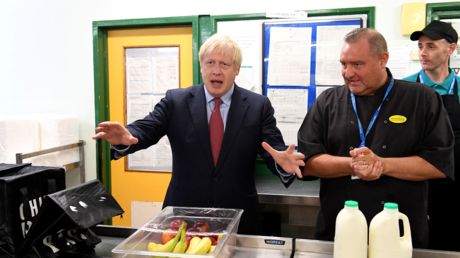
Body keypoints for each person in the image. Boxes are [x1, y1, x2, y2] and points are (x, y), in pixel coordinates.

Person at [92, 34, 304, 235]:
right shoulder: (176, 101)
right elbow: (148, 127)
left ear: (237, 69)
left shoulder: (258, 106)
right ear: (201, 66)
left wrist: (282, 162)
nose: (216, 71)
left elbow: (273, 149)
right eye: (210, 62)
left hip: (239, 216)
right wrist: (126, 137)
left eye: (224, 64)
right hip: (183, 216)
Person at [293, 28, 454, 248]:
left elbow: (439, 164)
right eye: (344, 64)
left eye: (357, 64)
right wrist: (354, 165)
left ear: (382, 60)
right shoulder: (327, 101)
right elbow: (307, 162)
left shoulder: (422, 98)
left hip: (400, 231)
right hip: (339, 230)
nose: (348, 73)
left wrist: (381, 164)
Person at [402, 20, 460, 251]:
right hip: (414, 187)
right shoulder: (403, 89)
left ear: (451, 49)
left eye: (431, 46)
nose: (423, 53)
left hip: (454, 191)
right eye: (420, 46)